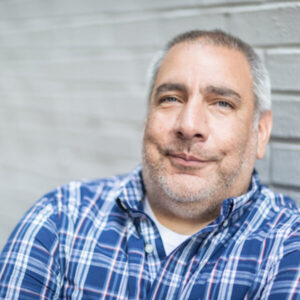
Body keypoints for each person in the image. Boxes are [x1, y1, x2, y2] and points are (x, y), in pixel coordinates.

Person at [0, 29, 299, 300]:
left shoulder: (287, 248)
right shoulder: (61, 219)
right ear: (147, 118)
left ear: (260, 133)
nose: (189, 125)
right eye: (170, 98)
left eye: (222, 103)